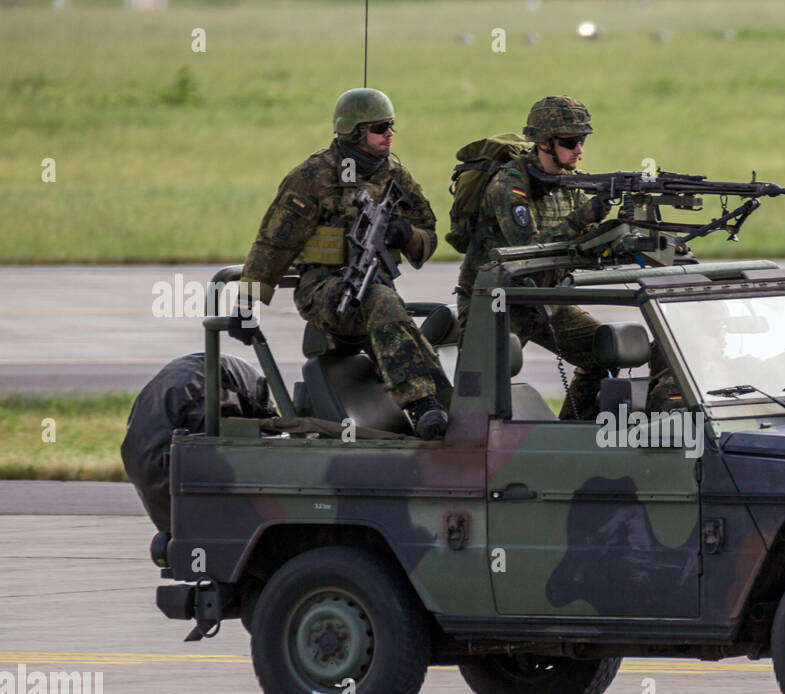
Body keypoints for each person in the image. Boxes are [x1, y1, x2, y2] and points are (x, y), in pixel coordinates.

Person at [239, 88, 451, 439]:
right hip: (324, 292)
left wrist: (406, 234)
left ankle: (452, 410)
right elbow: (273, 243)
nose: (390, 135)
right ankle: (423, 406)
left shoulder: (396, 175)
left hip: (376, 286)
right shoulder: (314, 176)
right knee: (382, 302)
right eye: (380, 127)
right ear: (354, 132)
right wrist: (246, 304)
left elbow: (428, 236)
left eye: (392, 126)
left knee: (397, 317)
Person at [454, 95, 615, 420]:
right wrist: (582, 218)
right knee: (480, 395)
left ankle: (569, 434)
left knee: (605, 351)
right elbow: (526, 248)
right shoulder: (508, 185)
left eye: (581, 140)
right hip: (496, 303)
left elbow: (586, 242)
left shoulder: (569, 183)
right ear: (542, 143)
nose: (579, 150)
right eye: (570, 142)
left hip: (543, 300)